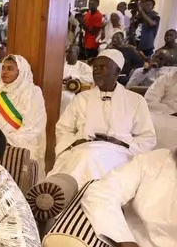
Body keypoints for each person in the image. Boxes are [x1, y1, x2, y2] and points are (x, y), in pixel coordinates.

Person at [48, 49, 156, 189]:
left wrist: (121, 142)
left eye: (103, 67)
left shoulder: (135, 101)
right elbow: (63, 128)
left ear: (117, 72)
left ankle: (74, 194)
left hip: (120, 153)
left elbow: (147, 137)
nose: (97, 71)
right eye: (95, 68)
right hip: (81, 148)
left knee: (89, 158)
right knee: (86, 155)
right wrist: (75, 142)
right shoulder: (81, 98)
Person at [0, 55, 48, 170]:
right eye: (3, 68)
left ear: (21, 72)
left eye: (10, 69)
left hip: (17, 141)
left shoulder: (33, 92)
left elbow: (33, 127)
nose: (4, 72)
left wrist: (7, 140)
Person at [62, 44, 94, 113]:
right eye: (66, 52)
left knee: (68, 97)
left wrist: (73, 77)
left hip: (71, 92)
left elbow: (91, 77)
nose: (67, 54)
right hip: (58, 89)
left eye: (70, 52)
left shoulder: (83, 66)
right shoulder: (61, 64)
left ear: (76, 54)